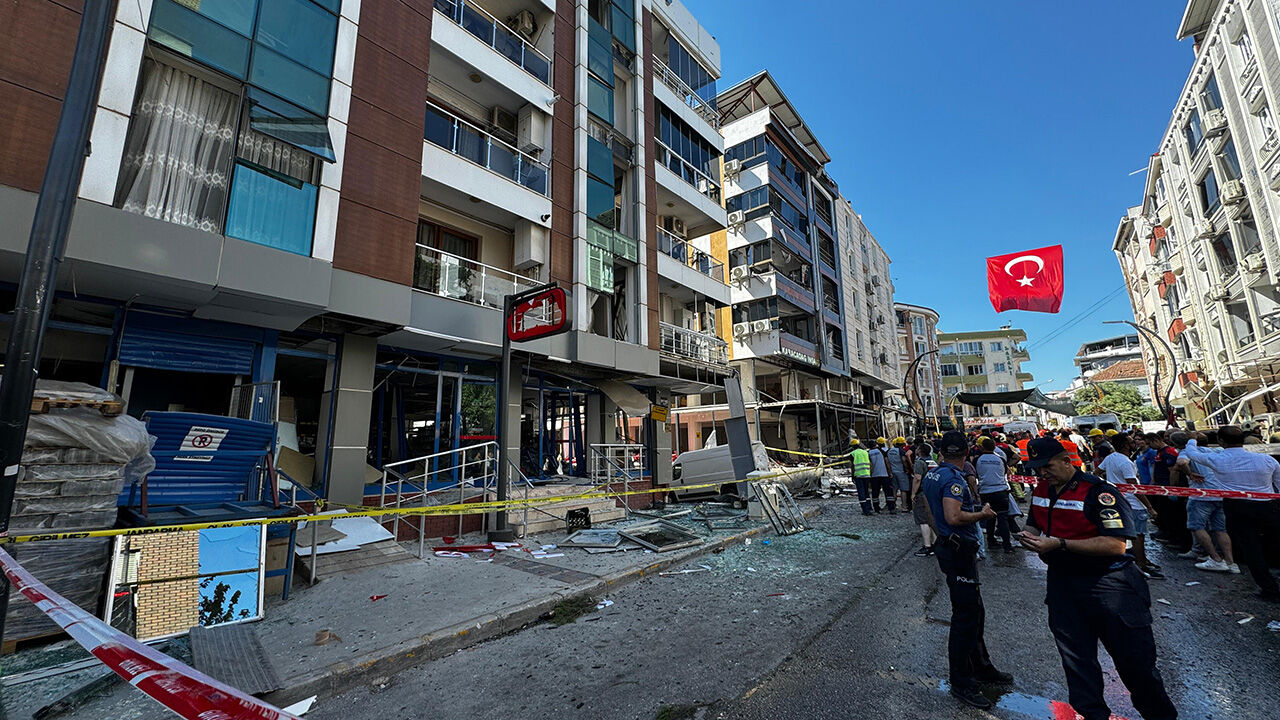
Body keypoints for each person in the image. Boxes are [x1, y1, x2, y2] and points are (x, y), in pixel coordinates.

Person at [1018, 436, 1178, 720]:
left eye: (1047, 466)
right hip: (1063, 585)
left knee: (1136, 665)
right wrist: (1026, 537)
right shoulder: (1042, 489)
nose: (1042, 473)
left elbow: (1115, 545)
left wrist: (1060, 544)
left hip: (1110, 584)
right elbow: (1034, 524)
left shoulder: (1099, 491)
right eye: (1037, 468)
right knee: (1077, 663)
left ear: (1066, 461)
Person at [922, 431, 1008, 710]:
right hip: (958, 551)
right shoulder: (953, 479)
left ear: (941, 452)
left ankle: (981, 666)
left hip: (950, 546)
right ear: (967, 452)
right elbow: (953, 516)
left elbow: (930, 510)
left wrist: (940, 536)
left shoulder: (933, 475)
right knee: (966, 617)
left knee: (975, 610)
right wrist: (983, 515)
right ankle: (961, 681)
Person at [1180, 426, 1280, 601]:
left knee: (1251, 548)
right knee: (1275, 543)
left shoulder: (1218, 459)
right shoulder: (1266, 460)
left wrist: (1192, 438)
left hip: (1237, 507)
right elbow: (1278, 484)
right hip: (1267, 505)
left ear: (1221, 441)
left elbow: (1191, 453)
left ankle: (1269, 589)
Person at [1169, 432, 1238, 574]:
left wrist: (1190, 474)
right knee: (1220, 529)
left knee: (1197, 527)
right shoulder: (1215, 451)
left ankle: (1215, 559)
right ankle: (1230, 562)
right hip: (1219, 494)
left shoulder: (1186, 452)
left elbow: (1181, 463)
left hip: (1200, 496)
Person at [1095, 437, 1161, 579]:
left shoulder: (1111, 458)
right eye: (1132, 442)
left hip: (1120, 501)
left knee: (1132, 534)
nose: (1134, 444)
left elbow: (1096, 472)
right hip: (1133, 503)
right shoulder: (1125, 462)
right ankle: (1141, 565)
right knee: (1138, 535)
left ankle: (1143, 561)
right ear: (1126, 445)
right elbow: (1133, 487)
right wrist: (1149, 507)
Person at [975, 437, 1016, 553]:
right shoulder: (1000, 459)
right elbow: (1007, 472)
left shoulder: (978, 459)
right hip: (1000, 491)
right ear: (994, 447)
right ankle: (1007, 545)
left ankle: (991, 541)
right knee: (1003, 518)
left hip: (985, 492)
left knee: (989, 518)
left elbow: (975, 474)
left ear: (982, 447)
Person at [911, 442, 937, 557]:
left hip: (923, 493)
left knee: (923, 520)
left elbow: (917, 478)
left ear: (920, 451)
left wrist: (913, 493)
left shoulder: (919, 462)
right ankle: (935, 545)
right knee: (933, 519)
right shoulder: (933, 462)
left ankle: (927, 546)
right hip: (933, 492)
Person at [868, 437, 896, 513]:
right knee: (888, 492)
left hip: (874, 476)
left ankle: (876, 508)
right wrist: (890, 472)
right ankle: (891, 508)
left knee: (875, 493)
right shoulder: (882, 451)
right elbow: (887, 461)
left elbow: (870, 465)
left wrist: (870, 475)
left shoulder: (868, 453)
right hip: (884, 475)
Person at [887, 437, 913, 512]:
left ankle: (893, 506)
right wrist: (907, 468)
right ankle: (904, 507)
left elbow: (887, 462)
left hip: (893, 472)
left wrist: (890, 471)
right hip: (901, 472)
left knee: (894, 489)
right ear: (903, 444)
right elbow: (904, 460)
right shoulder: (901, 451)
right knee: (903, 490)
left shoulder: (889, 450)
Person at [848, 438, 873, 516]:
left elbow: (852, 466)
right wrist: (870, 472)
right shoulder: (865, 452)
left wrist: (852, 475)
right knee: (866, 492)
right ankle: (869, 508)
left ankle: (865, 510)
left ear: (852, 446)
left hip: (858, 475)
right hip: (867, 474)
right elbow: (870, 463)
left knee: (861, 492)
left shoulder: (853, 454)